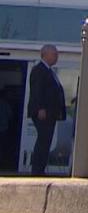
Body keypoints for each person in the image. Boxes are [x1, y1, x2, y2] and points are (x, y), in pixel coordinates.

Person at [27, 44, 66, 175]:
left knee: (46, 141)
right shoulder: (39, 70)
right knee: (43, 140)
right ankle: (37, 170)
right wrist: (40, 108)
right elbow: (37, 90)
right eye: (54, 54)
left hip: (51, 113)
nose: (57, 56)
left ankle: (40, 169)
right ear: (45, 54)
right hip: (43, 113)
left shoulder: (50, 71)